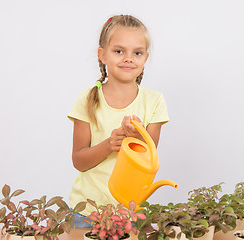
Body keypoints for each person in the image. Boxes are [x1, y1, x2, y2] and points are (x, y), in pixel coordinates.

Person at [68, 15, 169, 227]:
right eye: (119, 51)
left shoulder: (154, 101)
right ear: (102, 55)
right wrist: (109, 145)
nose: (128, 58)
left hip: (129, 214)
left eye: (137, 53)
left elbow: (150, 160)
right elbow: (79, 160)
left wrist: (136, 137)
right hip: (86, 213)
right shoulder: (87, 99)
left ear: (145, 58)